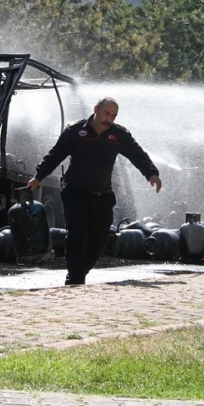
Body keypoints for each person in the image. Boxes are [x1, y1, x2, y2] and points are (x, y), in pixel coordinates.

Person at [27, 97, 161, 285]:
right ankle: (74, 277)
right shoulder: (75, 131)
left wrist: (152, 174)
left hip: (102, 194)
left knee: (100, 238)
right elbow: (55, 155)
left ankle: (80, 273)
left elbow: (138, 155)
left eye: (114, 116)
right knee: (77, 233)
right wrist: (38, 177)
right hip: (75, 191)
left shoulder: (119, 135)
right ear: (96, 109)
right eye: (107, 113)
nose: (110, 119)